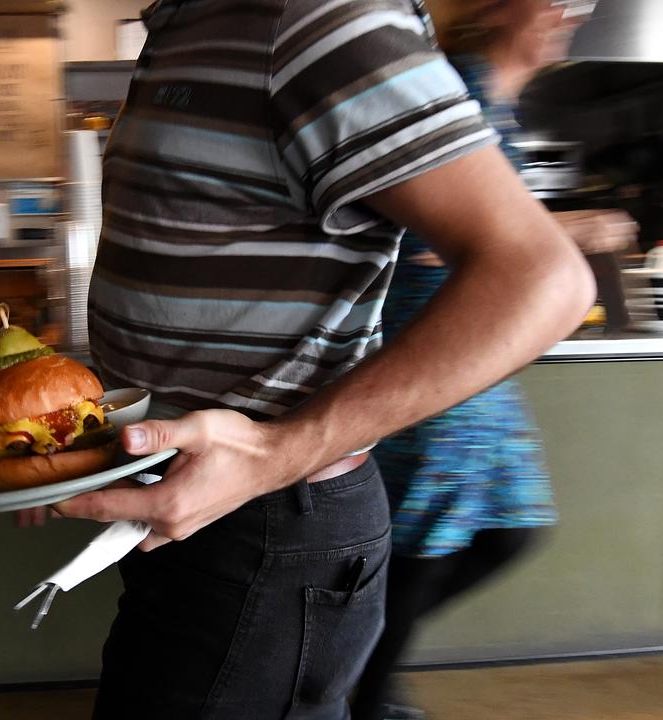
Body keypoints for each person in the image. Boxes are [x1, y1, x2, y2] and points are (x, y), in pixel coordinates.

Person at [53, 0, 596, 718]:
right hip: (195, 513)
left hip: (265, 527)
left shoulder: (318, 18)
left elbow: (541, 278)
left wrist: (280, 452)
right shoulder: (194, 20)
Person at [350, 3, 636, 719]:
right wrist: (570, 228)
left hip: (481, 370)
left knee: (512, 531)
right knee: (428, 539)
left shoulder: (494, 108)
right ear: (497, 8)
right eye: (554, 2)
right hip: (441, 362)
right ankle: (364, 690)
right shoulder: (459, 94)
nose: (570, 14)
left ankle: (351, 657)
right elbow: (430, 235)